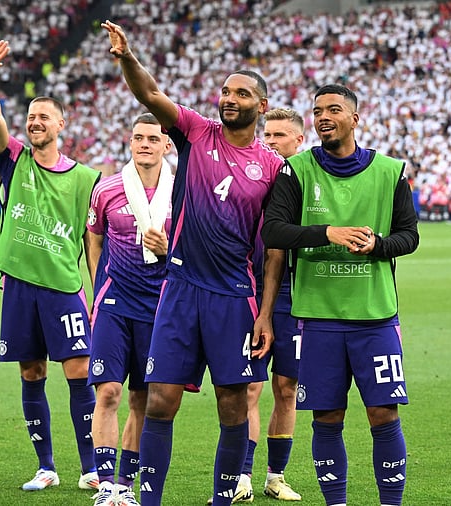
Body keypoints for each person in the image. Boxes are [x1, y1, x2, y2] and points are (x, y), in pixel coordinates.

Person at [100, 21, 284, 506]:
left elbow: (272, 252)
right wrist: (127, 57)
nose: (229, 98)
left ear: (260, 107)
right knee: (160, 400)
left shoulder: (271, 168)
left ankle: (222, 499)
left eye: (241, 93)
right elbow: (152, 95)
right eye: (225, 91)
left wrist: (265, 314)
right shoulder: (197, 132)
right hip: (179, 289)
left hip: (233, 297)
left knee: (231, 406)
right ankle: (148, 500)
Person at [261, 84, 419, 506]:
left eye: (333, 109)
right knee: (327, 418)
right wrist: (327, 232)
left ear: (355, 118)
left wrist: (378, 245)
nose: (323, 117)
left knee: (384, 415)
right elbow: (273, 231)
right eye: (317, 111)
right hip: (319, 318)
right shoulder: (295, 171)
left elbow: (410, 236)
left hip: (375, 317)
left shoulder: (390, 171)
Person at [0, 39, 101, 492]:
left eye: (43, 116)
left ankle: (91, 468)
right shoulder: (14, 160)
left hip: (63, 288)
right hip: (20, 288)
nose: (34, 122)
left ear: (62, 125)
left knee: (79, 373)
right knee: (32, 373)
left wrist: (98, 294)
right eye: (30, 116)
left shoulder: (87, 178)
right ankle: (46, 466)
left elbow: (93, 242)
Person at [216, 108, 305, 504]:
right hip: (251, 294)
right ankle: (241, 477)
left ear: (299, 141)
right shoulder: (253, 182)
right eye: (267, 135)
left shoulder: (308, 184)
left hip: (297, 299)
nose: (270, 141)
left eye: (280, 136)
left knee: (287, 388)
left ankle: (276, 476)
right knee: (249, 385)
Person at [85, 113, 173, 506]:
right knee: (108, 392)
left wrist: (167, 251)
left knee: (143, 398)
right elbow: (94, 237)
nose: (144, 145)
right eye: (138, 138)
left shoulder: (183, 191)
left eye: (153, 139)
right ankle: (105, 484)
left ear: (166, 145)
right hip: (115, 304)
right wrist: (98, 284)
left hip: (160, 308)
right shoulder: (107, 189)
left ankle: (125, 484)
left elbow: (194, 249)